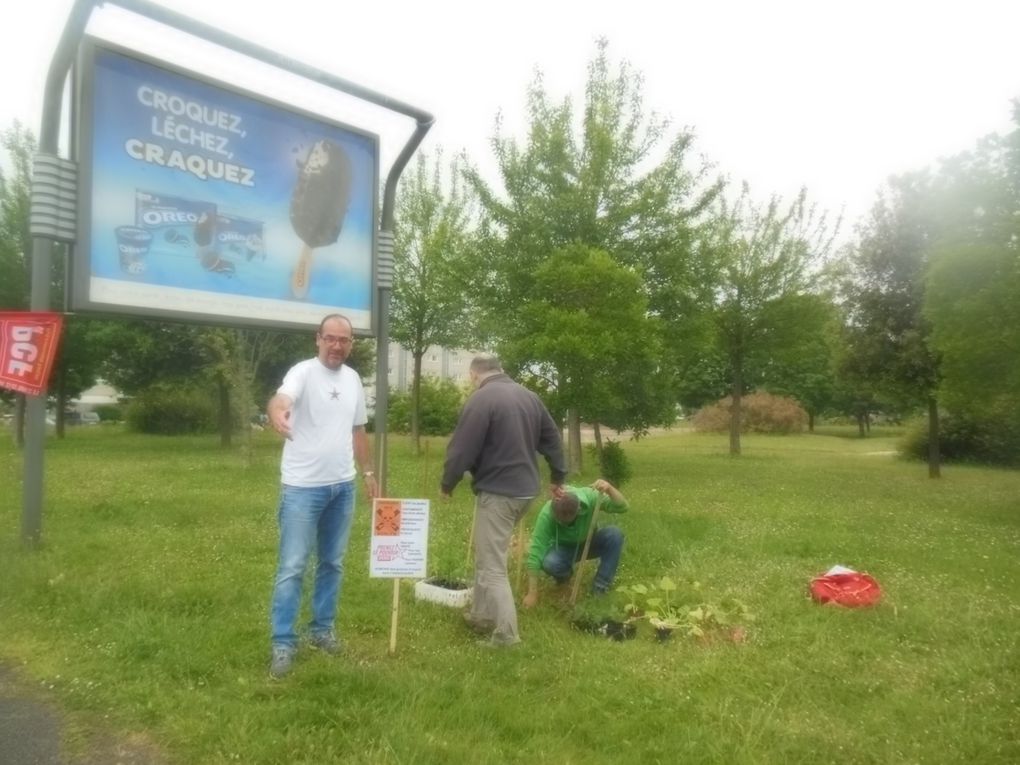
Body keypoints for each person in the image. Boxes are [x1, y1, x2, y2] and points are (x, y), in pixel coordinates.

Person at [265, 314, 378, 678]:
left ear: (351, 344)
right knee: (293, 566)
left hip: (341, 487)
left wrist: (369, 473)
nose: (336, 345)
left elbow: (358, 429)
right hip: (301, 488)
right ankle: (283, 642)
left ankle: (322, 630)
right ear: (318, 339)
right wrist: (277, 413)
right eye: (330, 338)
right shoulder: (303, 372)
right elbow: (281, 398)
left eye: (343, 340)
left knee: (333, 563)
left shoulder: (353, 380)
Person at [441, 354, 567, 647]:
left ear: (474, 374)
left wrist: (448, 483)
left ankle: (507, 634)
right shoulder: (529, 397)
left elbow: (461, 448)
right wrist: (558, 476)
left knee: (492, 563)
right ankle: (482, 615)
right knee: (488, 554)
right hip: (525, 491)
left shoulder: (481, 400)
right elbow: (552, 440)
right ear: (501, 370)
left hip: (500, 493)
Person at [522, 479, 628, 608]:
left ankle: (600, 588)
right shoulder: (547, 514)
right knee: (550, 563)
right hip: (564, 548)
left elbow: (622, 507)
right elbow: (536, 551)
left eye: (569, 521)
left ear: (578, 510)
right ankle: (564, 578)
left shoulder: (591, 497)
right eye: (561, 522)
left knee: (614, 534)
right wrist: (532, 593)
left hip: (590, 542)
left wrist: (610, 489)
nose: (565, 524)